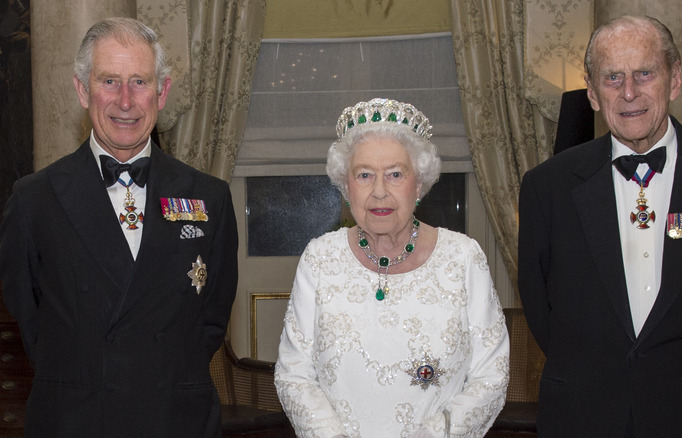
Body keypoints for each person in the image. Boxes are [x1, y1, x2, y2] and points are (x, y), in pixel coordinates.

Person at [517, 15, 682, 437]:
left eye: (644, 73)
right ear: (593, 93)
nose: (629, 92)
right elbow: (540, 309)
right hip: (582, 416)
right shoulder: (547, 188)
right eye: (613, 77)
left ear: (674, 80)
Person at [0, 17, 238, 437]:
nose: (125, 101)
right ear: (81, 89)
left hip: (176, 420)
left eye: (139, 82)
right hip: (75, 421)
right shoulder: (34, 200)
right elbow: (31, 321)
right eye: (109, 81)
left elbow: (211, 320)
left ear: (162, 92)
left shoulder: (210, 198)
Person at [274, 98, 509, 437]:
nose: (379, 191)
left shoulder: (463, 257)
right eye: (365, 175)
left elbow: (491, 375)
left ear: (419, 183)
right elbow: (294, 374)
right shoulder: (320, 258)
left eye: (395, 174)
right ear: (346, 185)